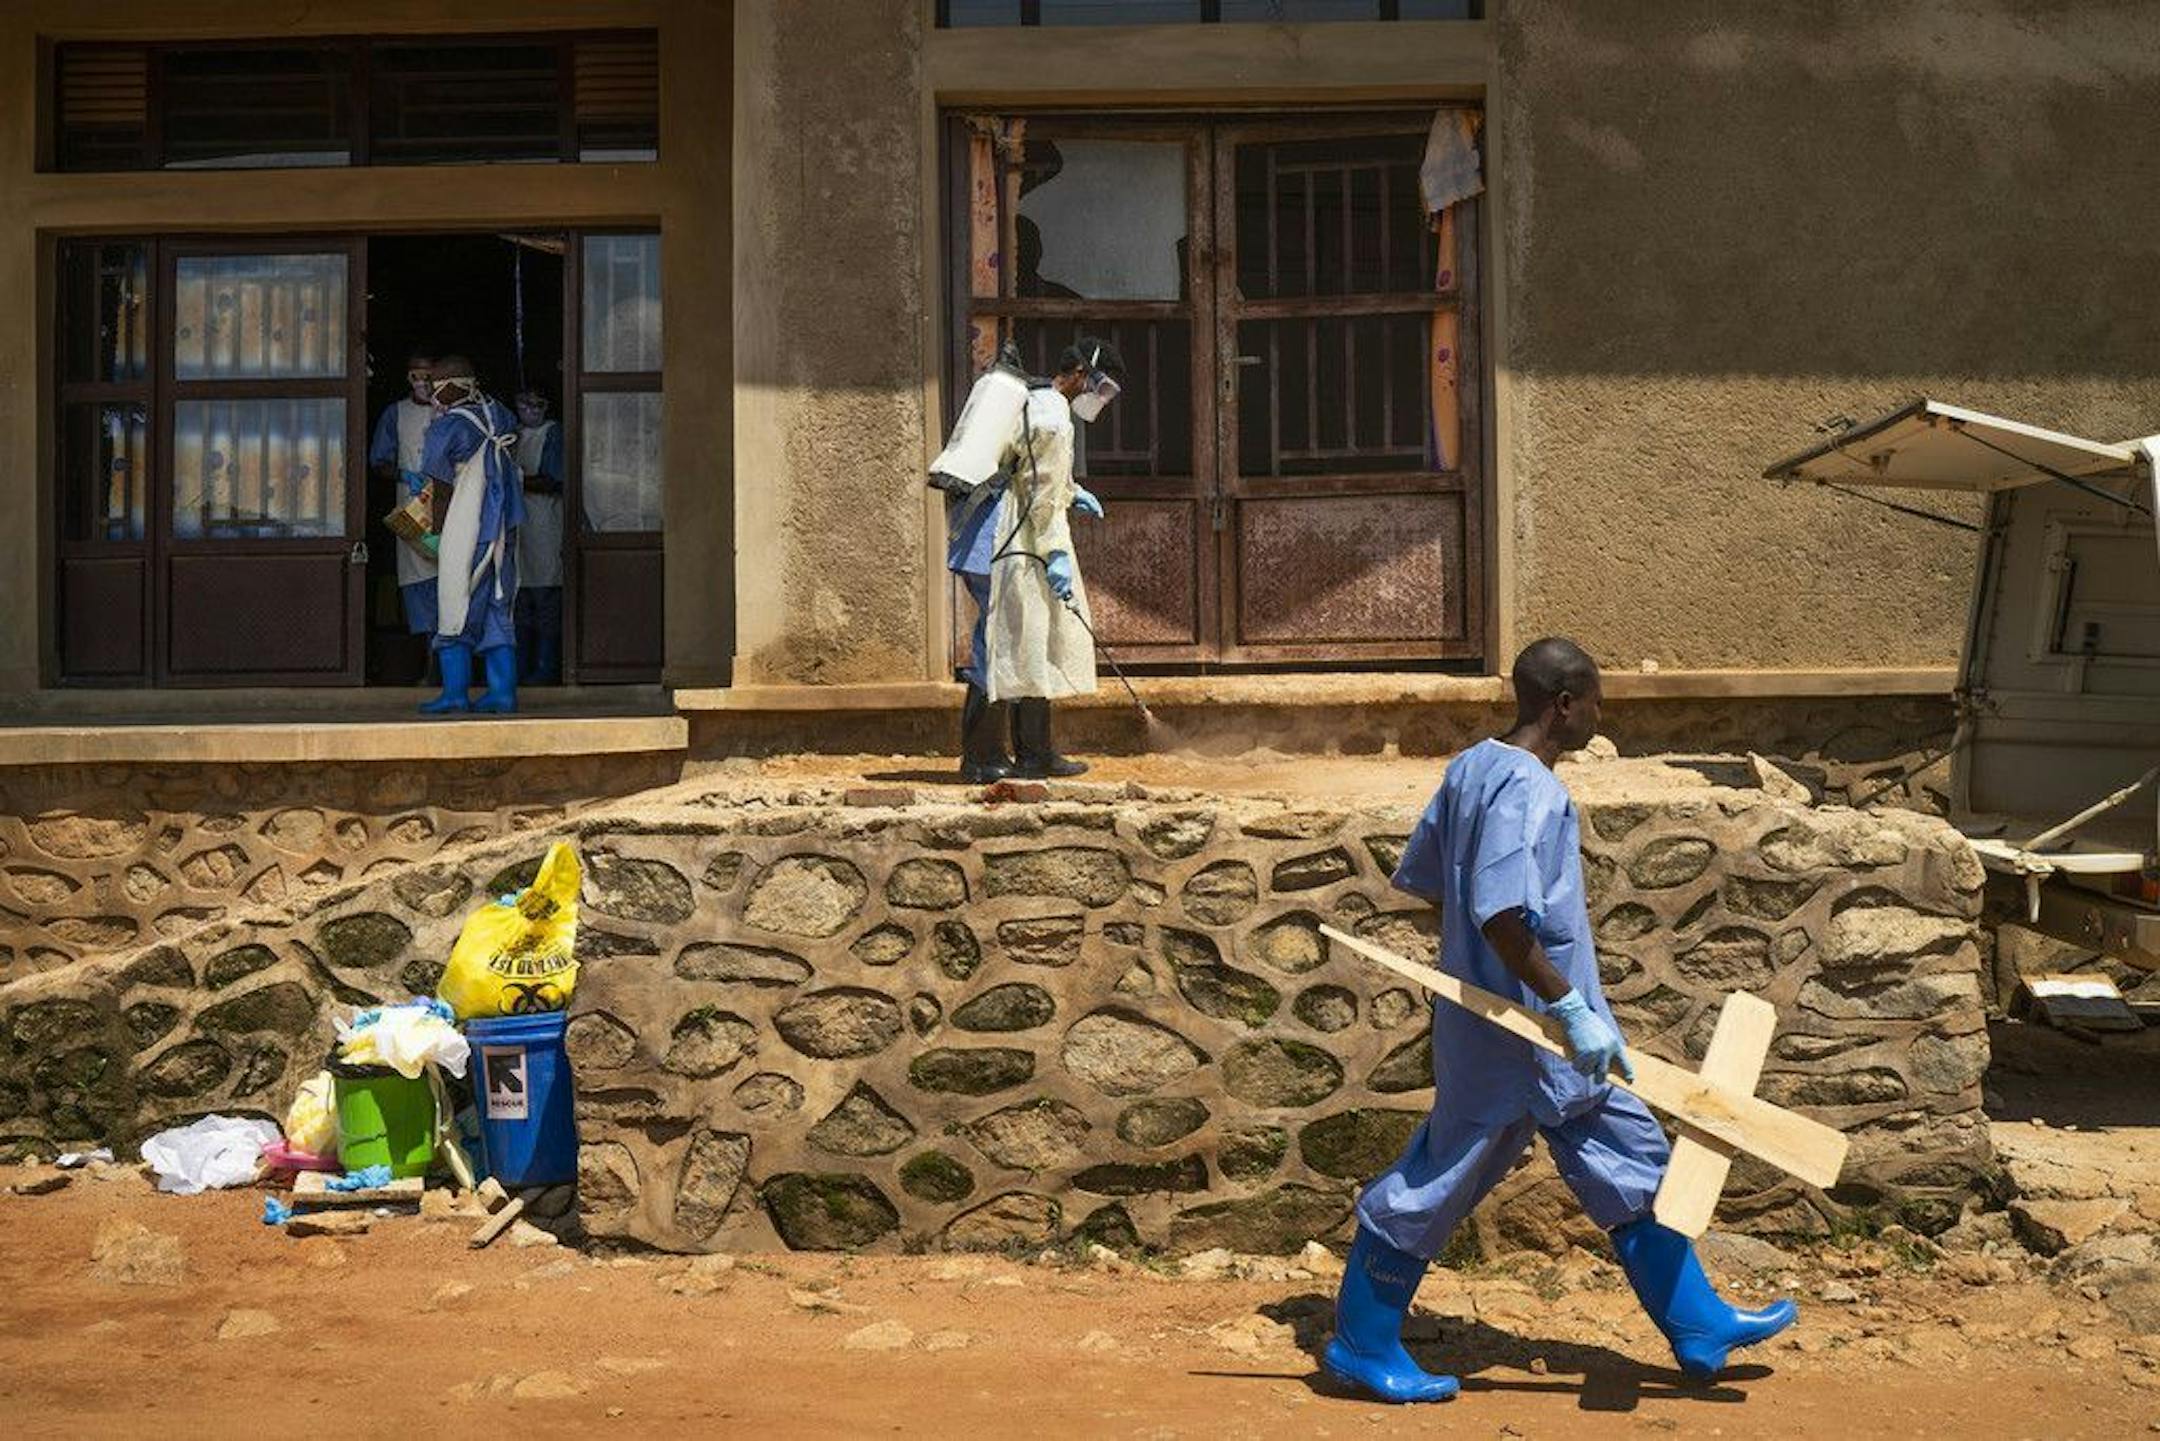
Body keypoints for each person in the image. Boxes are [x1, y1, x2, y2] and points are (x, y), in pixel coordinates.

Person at [1322, 638, 1798, 1403]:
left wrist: (1542, 998)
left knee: (1631, 1152)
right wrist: (1566, 1005)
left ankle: (1697, 1321)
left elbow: (1433, 882)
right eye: (1597, 701)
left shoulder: (1471, 767)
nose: (1601, 716)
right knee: (1444, 1174)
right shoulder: (1528, 789)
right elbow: (1502, 913)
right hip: (1518, 1032)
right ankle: (1359, 1340)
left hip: (1546, 1030)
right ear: (1564, 704)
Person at [932, 338, 1121, 783]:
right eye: (1102, 386)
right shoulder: (1054, 418)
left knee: (1028, 636)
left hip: (993, 535)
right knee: (998, 642)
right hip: (1007, 540)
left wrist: (1072, 492)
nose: (1101, 397)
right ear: (1080, 374)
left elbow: (1029, 470)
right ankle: (981, 758)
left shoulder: (1037, 402)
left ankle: (1035, 754)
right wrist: (1055, 553)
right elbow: (1040, 495)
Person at [415, 357, 524, 716]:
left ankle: (455, 694)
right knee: (497, 602)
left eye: (435, 386)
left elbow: (440, 486)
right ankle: (503, 694)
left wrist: (435, 531)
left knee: (455, 600)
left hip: (468, 525)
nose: (430, 393)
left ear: (449, 387)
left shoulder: (446, 429)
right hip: (503, 526)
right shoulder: (500, 415)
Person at [369, 351, 440, 641]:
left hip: (446, 506)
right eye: (415, 376)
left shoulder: (449, 411)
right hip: (411, 511)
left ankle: (445, 669)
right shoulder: (395, 413)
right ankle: (429, 666)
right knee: (417, 580)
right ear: (407, 378)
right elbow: (378, 462)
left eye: (428, 376)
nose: (422, 383)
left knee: (449, 580)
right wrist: (403, 475)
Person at [511, 389, 567, 685]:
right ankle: (521, 670)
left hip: (545, 522)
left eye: (537, 403)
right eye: (524, 403)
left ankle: (545, 669)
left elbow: (555, 479)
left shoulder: (553, 433)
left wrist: (516, 480)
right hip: (519, 525)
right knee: (520, 601)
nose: (530, 409)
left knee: (546, 598)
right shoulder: (513, 434)